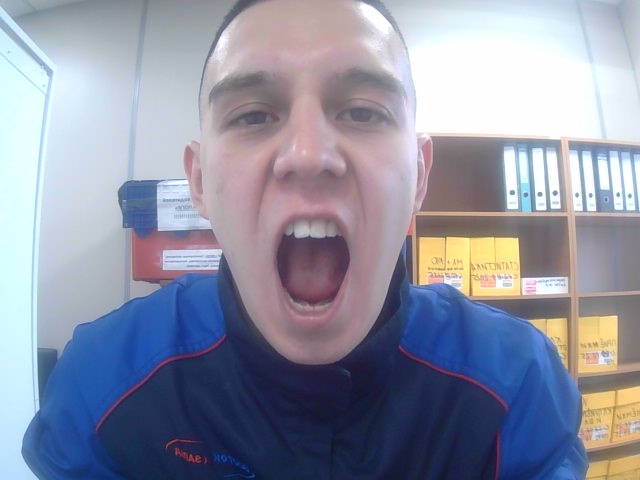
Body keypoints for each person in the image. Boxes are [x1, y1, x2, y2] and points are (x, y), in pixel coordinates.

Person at [23, 0, 588, 478]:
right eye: (252, 116)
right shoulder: (101, 383)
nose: (309, 154)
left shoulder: (517, 385)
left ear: (419, 175)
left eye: (362, 111)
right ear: (199, 183)